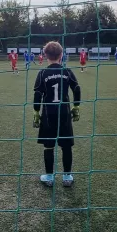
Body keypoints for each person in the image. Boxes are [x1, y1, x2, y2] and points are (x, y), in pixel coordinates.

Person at [33, 41, 81, 188]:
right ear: (61, 55)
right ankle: (67, 177)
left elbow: (37, 94)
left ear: (45, 55)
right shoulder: (67, 71)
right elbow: (77, 88)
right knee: (66, 146)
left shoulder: (42, 73)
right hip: (64, 113)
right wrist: (76, 106)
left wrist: (36, 112)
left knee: (49, 146)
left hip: (48, 115)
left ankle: (49, 177)